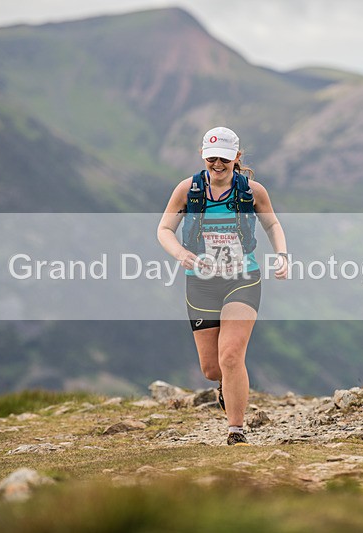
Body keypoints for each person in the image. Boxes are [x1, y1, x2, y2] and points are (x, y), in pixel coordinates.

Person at [157, 126, 288, 446]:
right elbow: (164, 229)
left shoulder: (252, 191)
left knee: (231, 356)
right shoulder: (187, 190)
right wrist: (181, 254)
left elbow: (271, 223)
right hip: (200, 283)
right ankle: (223, 385)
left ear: (237, 158)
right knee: (212, 368)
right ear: (203, 157)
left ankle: (236, 430)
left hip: (243, 278)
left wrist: (282, 255)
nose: (218, 164)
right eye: (212, 158)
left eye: (225, 160)